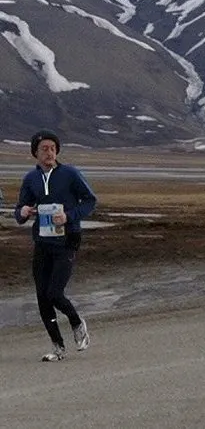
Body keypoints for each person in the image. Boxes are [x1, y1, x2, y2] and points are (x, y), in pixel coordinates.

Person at [13, 131, 97, 362]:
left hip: (67, 240)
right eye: (44, 149)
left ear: (57, 151)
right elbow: (20, 210)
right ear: (35, 153)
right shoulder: (31, 179)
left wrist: (69, 216)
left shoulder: (70, 174)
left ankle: (77, 323)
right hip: (42, 242)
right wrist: (22, 212)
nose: (49, 152)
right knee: (42, 297)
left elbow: (90, 200)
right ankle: (57, 347)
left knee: (55, 293)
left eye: (52, 148)